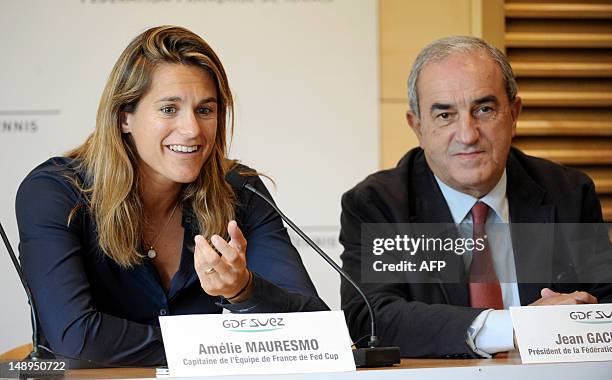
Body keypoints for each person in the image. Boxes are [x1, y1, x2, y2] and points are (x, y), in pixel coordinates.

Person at [16, 25, 328, 367]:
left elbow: (315, 330)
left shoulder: (240, 190)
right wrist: (222, 347)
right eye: (169, 109)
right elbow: (77, 339)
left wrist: (243, 291)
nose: (192, 129)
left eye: (205, 110)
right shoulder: (56, 193)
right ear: (124, 117)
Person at [340, 36, 612, 358]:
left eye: (484, 109)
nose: (468, 135)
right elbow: (373, 321)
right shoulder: (380, 205)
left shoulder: (567, 193)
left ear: (513, 115)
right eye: (445, 116)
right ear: (417, 127)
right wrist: (513, 327)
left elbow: (605, 303)